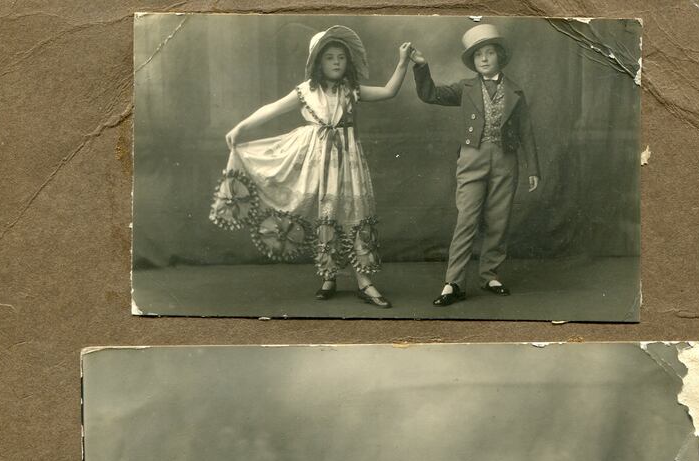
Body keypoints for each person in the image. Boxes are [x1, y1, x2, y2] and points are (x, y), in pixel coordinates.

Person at [209, 27, 413, 308]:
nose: (337, 62)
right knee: (326, 213)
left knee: (354, 212)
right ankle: (329, 276)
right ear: (318, 63)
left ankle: (365, 282)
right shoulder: (306, 91)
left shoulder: (351, 90)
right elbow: (271, 108)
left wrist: (403, 61)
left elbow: (389, 91)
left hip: (349, 161)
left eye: (341, 57)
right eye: (329, 58)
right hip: (315, 160)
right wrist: (240, 126)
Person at [409, 24, 540, 306]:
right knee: (466, 219)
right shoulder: (465, 88)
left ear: (499, 57)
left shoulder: (516, 91)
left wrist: (533, 169)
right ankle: (453, 283)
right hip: (472, 158)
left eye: (489, 52)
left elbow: (527, 131)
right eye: (478, 54)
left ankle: (490, 274)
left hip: (506, 159)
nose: (483, 58)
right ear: (473, 60)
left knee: (499, 219)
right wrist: (421, 67)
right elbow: (429, 94)